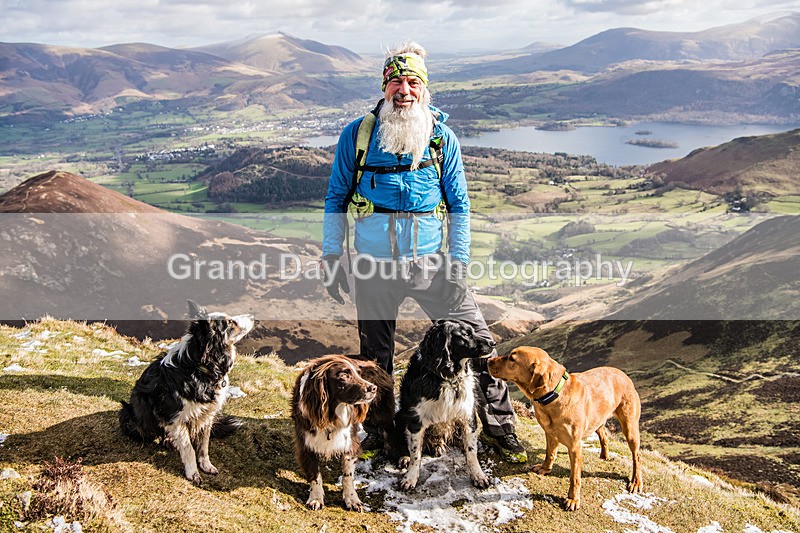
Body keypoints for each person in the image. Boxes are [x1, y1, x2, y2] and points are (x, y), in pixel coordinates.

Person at [320, 41, 527, 463]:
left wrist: (459, 262)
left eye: (413, 82)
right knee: (374, 358)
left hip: (434, 266)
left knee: (480, 343)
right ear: (384, 86)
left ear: (424, 89)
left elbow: (460, 205)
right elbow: (336, 198)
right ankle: (381, 430)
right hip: (373, 266)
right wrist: (331, 255)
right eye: (396, 81)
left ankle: (500, 427)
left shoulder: (439, 137)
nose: (405, 90)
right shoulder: (357, 136)